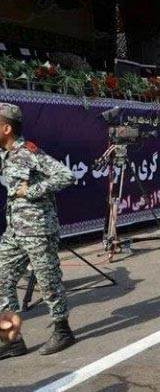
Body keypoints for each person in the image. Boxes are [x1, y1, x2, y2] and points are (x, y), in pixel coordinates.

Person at [0, 102, 77, 359]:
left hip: (38, 230)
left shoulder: (29, 152)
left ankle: (62, 330)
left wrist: (32, 191)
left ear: (7, 128)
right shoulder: (4, 154)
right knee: (2, 279)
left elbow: (66, 175)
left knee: (48, 282)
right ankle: (12, 339)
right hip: (14, 231)